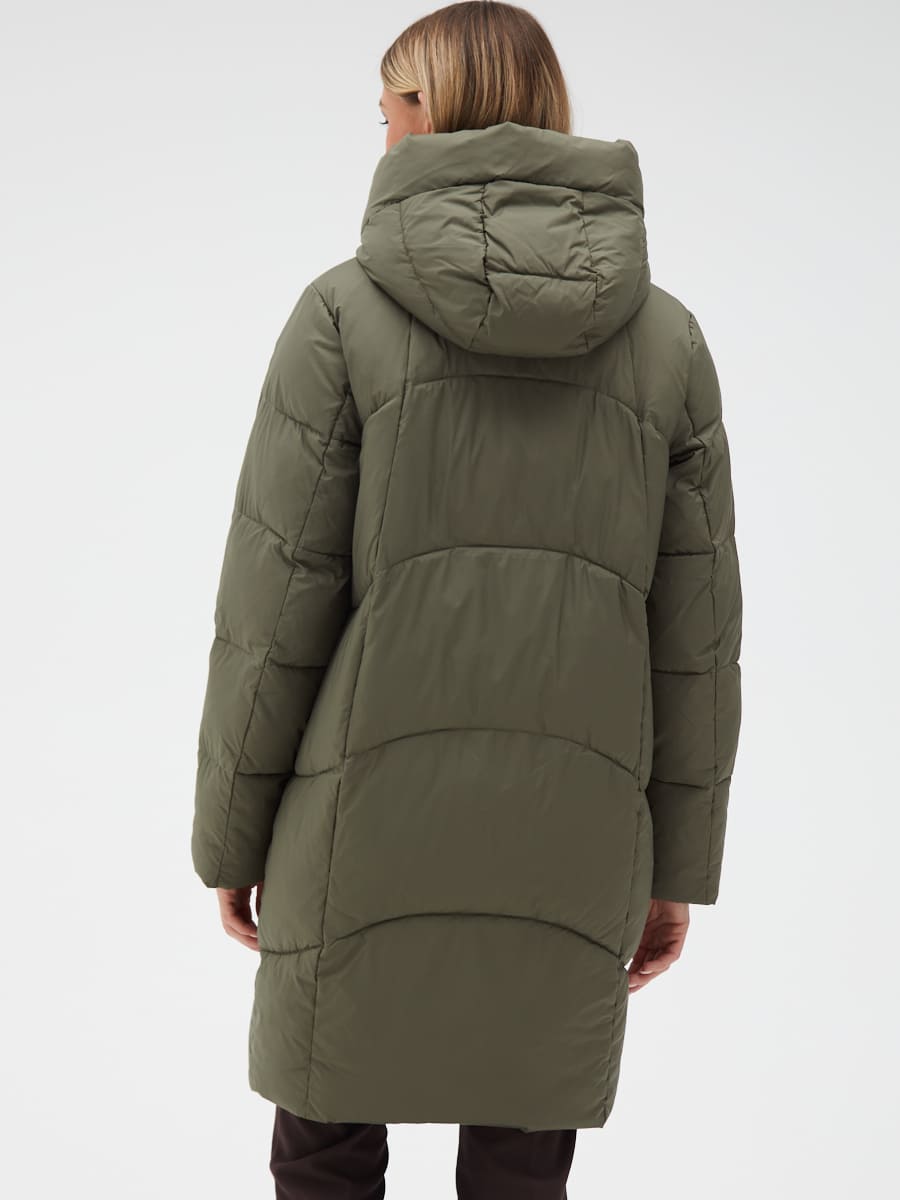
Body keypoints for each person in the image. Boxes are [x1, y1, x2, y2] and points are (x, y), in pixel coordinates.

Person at [190, 2, 743, 1196]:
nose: (381, 133)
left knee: (327, 1141)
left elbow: (274, 606)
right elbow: (693, 639)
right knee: (522, 1148)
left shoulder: (343, 315)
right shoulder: (667, 342)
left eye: (389, 107)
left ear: (431, 111)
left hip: (356, 821)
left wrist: (230, 835)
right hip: (576, 833)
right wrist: (676, 863)